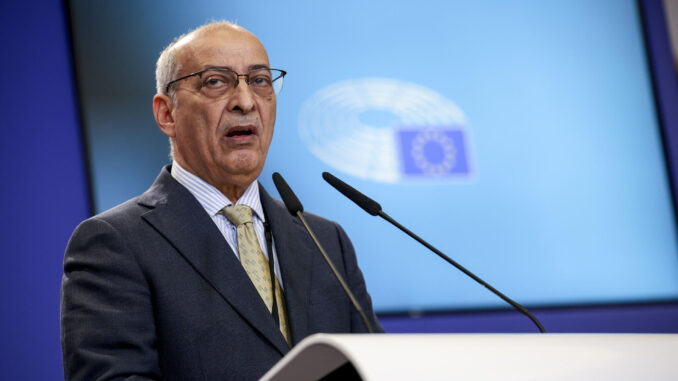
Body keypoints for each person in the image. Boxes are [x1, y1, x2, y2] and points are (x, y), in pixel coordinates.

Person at [60, 21, 382, 381]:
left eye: (259, 81)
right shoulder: (114, 243)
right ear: (167, 113)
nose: (245, 102)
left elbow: (372, 367)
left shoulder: (326, 241)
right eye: (215, 81)